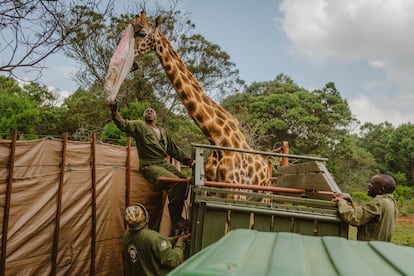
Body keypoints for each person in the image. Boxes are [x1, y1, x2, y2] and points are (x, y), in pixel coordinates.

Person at [109, 101, 193, 230]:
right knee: (176, 183)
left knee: (184, 181)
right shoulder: (139, 126)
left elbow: (174, 150)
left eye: (151, 111)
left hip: (163, 163)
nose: (149, 112)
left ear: (156, 116)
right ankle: (176, 220)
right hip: (149, 164)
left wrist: (189, 162)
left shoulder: (163, 132)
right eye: (146, 111)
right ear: (144, 116)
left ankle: (183, 214)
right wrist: (115, 112)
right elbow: (123, 125)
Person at [123, 203, 191, 276]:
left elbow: (151, 244)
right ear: (146, 219)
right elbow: (174, 260)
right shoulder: (153, 237)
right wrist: (180, 242)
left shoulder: (127, 235)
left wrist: (175, 239)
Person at [332, 174, 398, 242]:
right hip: (379, 246)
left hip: (368, 248)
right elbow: (363, 215)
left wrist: (341, 202)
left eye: (372, 184)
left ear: (380, 190)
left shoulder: (378, 203)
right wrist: (351, 201)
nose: (368, 185)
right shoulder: (391, 202)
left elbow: (354, 218)